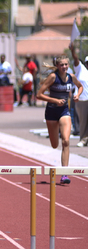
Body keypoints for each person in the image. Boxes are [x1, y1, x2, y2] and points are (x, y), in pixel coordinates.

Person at [36, 55, 83, 184]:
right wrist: (55, 100)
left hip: (64, 111)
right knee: (54, 144)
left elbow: (80, 86)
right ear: (57, 66)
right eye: (61, 65)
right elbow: (39, 95)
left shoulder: (71, 77)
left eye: (66, 64)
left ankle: (64, 173)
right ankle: (56, 131)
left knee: (66, 141)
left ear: (69, 65)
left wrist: (77, 95)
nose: (64, 67)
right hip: (51, 112)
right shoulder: (53, 77)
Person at [69, 44, 88, 147]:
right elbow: (76, 59)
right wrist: (72, 50)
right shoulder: (80, 69)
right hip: (82, 100)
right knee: (83, 121)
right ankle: (83, 139)